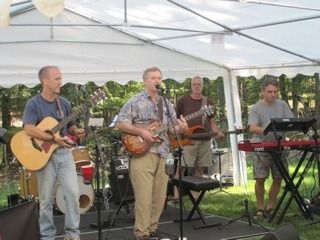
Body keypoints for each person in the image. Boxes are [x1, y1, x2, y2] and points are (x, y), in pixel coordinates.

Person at [116, 67, 188, 240]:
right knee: (144, 197)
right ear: (145, 81)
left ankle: (152, 229)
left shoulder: (166, 103)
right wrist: (141, 132)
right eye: (153, 77)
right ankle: (142, 233)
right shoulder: (135, 101)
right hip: (141, 153)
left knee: (159, 196)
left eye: (159, 77)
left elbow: (171, 129)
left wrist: (182, 128)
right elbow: (120, 123)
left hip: (163, 153)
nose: (157, 80)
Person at [22, 66, 85, 240]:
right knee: (46, 200)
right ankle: (47, 236)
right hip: (43, 156)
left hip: (64, 153)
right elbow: (28, 128)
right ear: (45, 81)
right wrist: (51, 139)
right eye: (57, 79)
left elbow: (68, 126)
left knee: (72, 194)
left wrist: (76, 130)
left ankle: (72, 235)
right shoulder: (33, 103)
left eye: (60, 78)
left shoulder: (63, 102)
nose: (60, 82)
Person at [248, 78, 295, 218]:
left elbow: (291, 122)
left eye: (275, 92)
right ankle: (260, 207)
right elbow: (252, 127)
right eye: (270, 92)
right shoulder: (256, 108)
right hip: (262, 148)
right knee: (260, 179)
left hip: (280, 147)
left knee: (279, 177)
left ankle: (271, 206)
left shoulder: (282, 105)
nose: (273, 94)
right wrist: (268, 129)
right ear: (263, 92)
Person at [173, 76, 224, 199]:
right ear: (191, 86)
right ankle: (176, 195)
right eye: (194, 84)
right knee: (182, 167)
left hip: (205, 140)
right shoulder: (183, 100)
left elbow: (212, 122)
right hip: (187, 140)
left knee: (200, 168)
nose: (197, 86)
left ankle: (195, 197)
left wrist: (217, 132)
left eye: (199, 84)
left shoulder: (208, 102)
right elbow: (175, 120)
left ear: (202, 86)